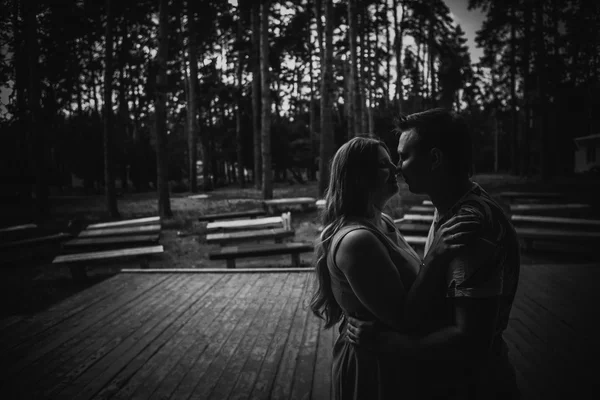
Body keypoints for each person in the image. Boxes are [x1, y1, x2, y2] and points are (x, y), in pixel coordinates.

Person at [346, 108, 522, 399]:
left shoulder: (468, 227)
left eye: (404, 156)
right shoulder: (451, 207)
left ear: (435, 159)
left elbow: (470, 339)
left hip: (476, 385)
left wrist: (384, 341)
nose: (397, 167)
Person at [309, 135, 481, 400]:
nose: (396, 169)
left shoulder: (383, 222)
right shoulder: (358, 241)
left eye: (393, 162)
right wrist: (435, 256)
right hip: (374, 367)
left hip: (397, 359)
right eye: (384, 165)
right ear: (359, 177)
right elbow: (403, 318)